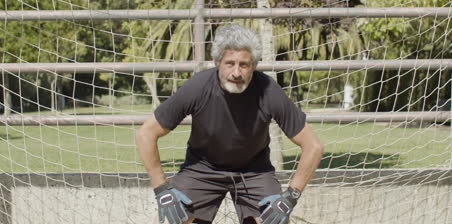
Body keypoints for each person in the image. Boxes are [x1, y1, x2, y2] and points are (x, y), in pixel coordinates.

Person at [136, 24, 324, 224]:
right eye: (229, 63)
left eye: (244, 64)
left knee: (276, 221)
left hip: (254, 171)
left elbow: (313, 146)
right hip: (202, 169)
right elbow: (145, 134)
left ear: (254, 65)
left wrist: (290, 197)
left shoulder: (269, 91)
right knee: (168, 220)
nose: (236, 72)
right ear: (218, 62)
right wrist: (161, 190)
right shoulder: (198, 87)